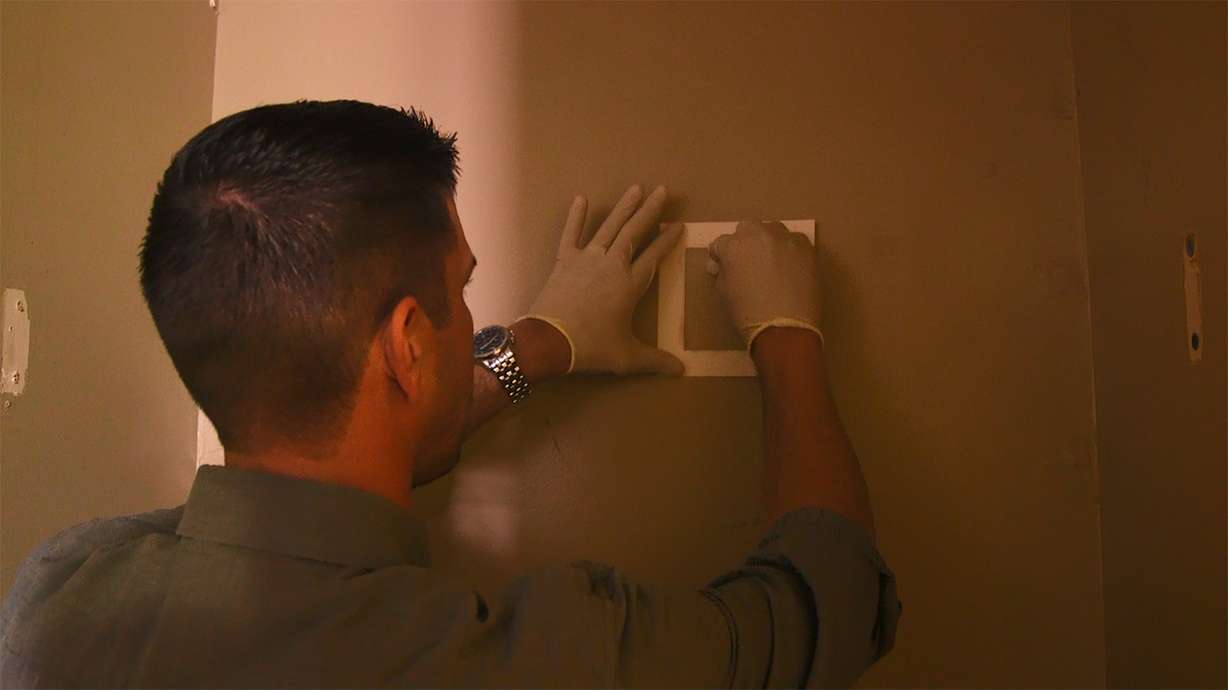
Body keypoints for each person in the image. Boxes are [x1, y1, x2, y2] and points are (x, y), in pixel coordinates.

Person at [0, 100, 900, 688]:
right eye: (464, 291)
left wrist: (538, 347)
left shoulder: (58, 595)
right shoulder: (543, 662)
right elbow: (826, 607)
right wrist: (789, 337)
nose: (473, 312)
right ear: (406, 346)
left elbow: (306, 504)